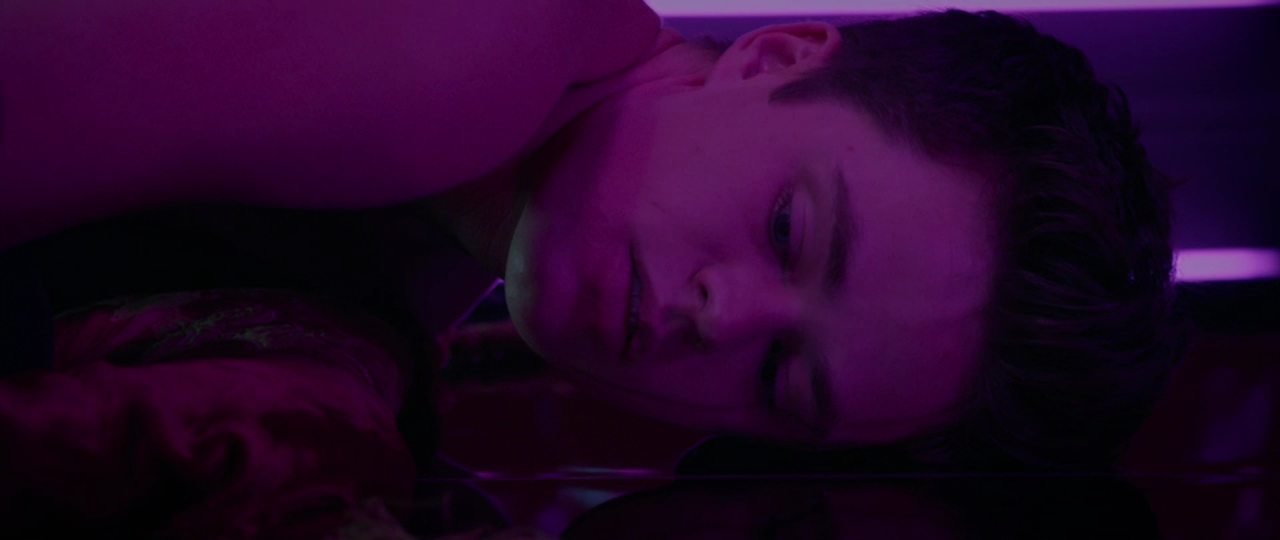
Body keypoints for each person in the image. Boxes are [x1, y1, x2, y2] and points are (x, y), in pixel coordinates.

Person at [0, 1, 1189, 534]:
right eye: (789, 230)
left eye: (780, 377)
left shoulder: (403, 302)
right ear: (775, 55)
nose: (719, 319)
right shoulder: (489, 38)